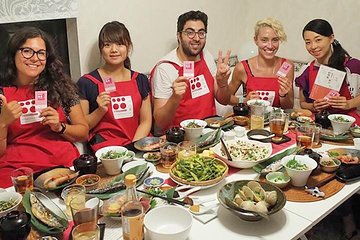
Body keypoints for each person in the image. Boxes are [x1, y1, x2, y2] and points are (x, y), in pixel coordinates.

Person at [0, 27, 89, 188]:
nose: (35, 58)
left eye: (41, 53)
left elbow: (83, 132)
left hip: (58, 163)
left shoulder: (61, 87)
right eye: (27, 51)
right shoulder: (2, 94)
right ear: (14, 53)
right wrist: (2, 123)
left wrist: (60, 127)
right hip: (16, 167)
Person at [151, 10, 231, 133]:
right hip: (180, 137)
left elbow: (223, 100)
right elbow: (160, 123)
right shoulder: (165, 68)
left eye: (201, 33)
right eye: (190, 33)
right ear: (179, 36)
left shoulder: (206, 56)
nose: (197, 38)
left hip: (209, 131)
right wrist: (175, 98)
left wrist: (222, 83)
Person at [77, 21, 152, 152]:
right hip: (107, 150)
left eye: (120, 44)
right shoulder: (87, 82)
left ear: (128, 47)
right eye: (107, 45)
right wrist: (100, 110)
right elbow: (82, 127)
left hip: (138, 143)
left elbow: (146, 121)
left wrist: (134, 147)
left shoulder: (140, 79)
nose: (114, 50)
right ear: (101, 49)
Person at [295, 19, 360, 124]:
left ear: (331, 38)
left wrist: (349, 103)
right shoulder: (307, 70)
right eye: (308, 42)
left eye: (318, 40)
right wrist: (313, 106)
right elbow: (302, 103)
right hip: (318, 122)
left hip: (348, 122)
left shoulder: (352, 66)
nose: (313, 46)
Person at [228, 17, 294, 109]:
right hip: (252, 121)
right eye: (264, 40)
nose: (270, 46)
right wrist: (243, 101)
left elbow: (289, 107)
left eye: (275, 40)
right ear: (256, 40)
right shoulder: (242, 67)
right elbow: (227, 98)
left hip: (276, 121)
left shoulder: (286, 66)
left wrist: (283, 95)